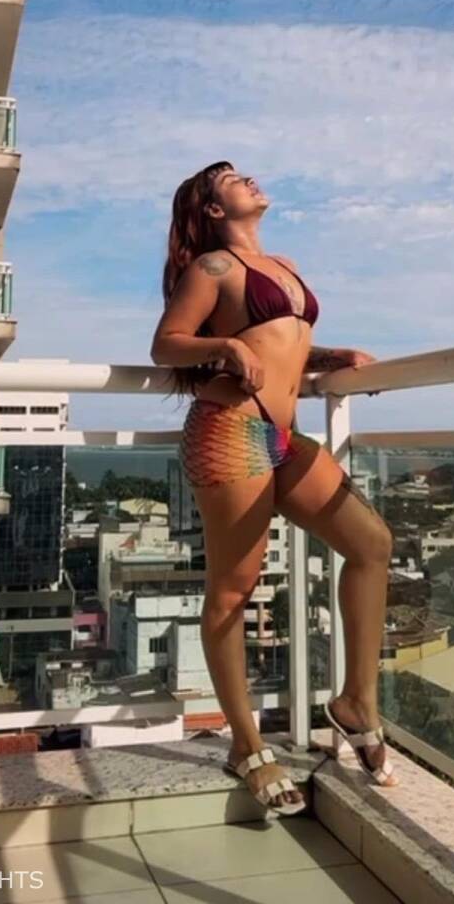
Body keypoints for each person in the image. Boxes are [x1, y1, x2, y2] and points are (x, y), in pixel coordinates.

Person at [150, 160, 397, 814]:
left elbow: (280, 345)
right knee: (233, 590)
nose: (249, 180)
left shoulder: (282, 265)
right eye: (232, 178)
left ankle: (356, 701)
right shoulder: (213, 269)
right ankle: (246, 745)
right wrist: (224, 350)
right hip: (230, 428)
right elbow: (167, 344)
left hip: (281, 436)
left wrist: (331, 357)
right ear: (212, 208)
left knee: (371, 543)